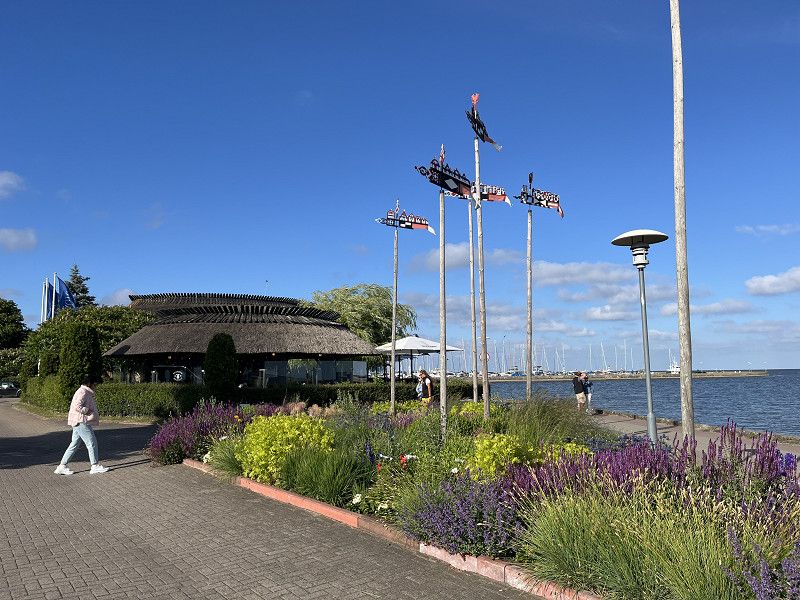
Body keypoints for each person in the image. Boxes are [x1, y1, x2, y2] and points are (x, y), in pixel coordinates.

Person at [54, 379, 109, 475]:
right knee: (91, 442)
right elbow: (77, 406)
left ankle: (62, 466)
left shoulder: (84, 391)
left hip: (78, 421)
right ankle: (95, 466)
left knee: (74, 444)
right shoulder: (83, 392)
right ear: (89, 384)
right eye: (94, 384)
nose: (95, 386)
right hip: (80, 421)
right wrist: (88, 411)